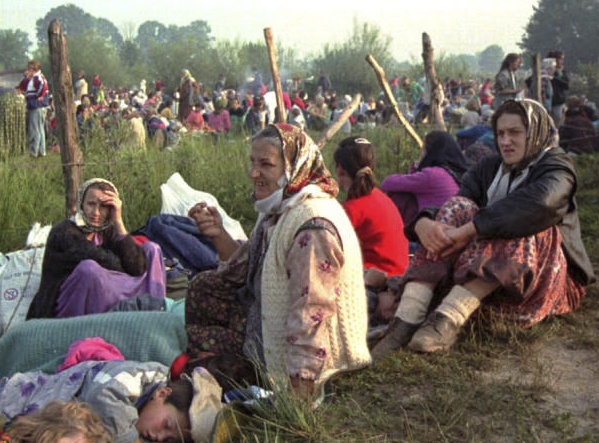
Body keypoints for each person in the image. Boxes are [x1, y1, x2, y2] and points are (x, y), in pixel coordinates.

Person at [372, 99, 594, 358]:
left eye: (515, 132)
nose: (505, 141)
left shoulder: (557, 166)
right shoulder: (490, 167)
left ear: (535, 132)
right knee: (459, 206)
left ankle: (447, 320)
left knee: (527, 222)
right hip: (489, 283)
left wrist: (471, 230)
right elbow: (458, 200)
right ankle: (406, 320)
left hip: (540, 284)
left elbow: (541, 203)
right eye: (500, 133)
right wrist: (423, 223)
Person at [183, 124, 370, 400]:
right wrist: (217, 233)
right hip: (269, 321)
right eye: (252, 162)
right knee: (203, 289)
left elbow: (312, 313)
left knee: (195, 371)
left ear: (293, 168)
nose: (252, 173)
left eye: (265, 165)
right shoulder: (280, 207)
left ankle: (250, 366)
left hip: (309, 354)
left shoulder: (313, 227)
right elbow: (245, 271)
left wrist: (297, 395)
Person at [0, 363, 223, 443]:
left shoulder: (138, 412)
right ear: (162, 394)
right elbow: (104, 394)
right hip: (15, 399)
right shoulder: (144, 376)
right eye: (166, 425)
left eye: (170, 439)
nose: (161, 436)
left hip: (36, 428)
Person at [27, 178, 166, 319]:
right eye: (91, 204)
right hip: (66, 305)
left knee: (151, 249)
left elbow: (137, 266)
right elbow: (103, 260)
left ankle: (152, 312)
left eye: (104, 206)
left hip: (105, 290)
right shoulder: (64, 232)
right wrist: (126, 265)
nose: (96, 212)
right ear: (81, 205)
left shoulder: (106, 230)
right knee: (89, 269)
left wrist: (118, 221)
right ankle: (100, 325)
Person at [334, 137, 409, 278]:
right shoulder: (380, 196)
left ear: (340, 170)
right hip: (399, 272)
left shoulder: (352, 209)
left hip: (380, 277)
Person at [379, 131, 467, 226]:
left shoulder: (432, 175)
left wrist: (418, 163)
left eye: (423, 150)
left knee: (400, 196)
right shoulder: (452, 173)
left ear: (430, 152)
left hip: (433, 232)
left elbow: (387, 183)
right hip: (453, 230)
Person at [18, 59, 49, 157]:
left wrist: (38, 95)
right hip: (36, 105)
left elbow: (42, 86)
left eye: (31, 69)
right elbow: (22, 87)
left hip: (36, 105)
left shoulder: (38, 77)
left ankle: (33, 152)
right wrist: (27, 78)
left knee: (34, 129)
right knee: (39, 129)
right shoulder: (33, 78)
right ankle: (41, 151)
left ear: (34, 69)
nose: (29, 70)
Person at [547, 50, 569, 126]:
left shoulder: (562, 71)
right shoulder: (544, 69)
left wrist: (558, 74)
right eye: (561, 59)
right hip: (545, 100)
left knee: (557, 121)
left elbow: (566, 85)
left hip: (557, 100)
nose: (562, 61)